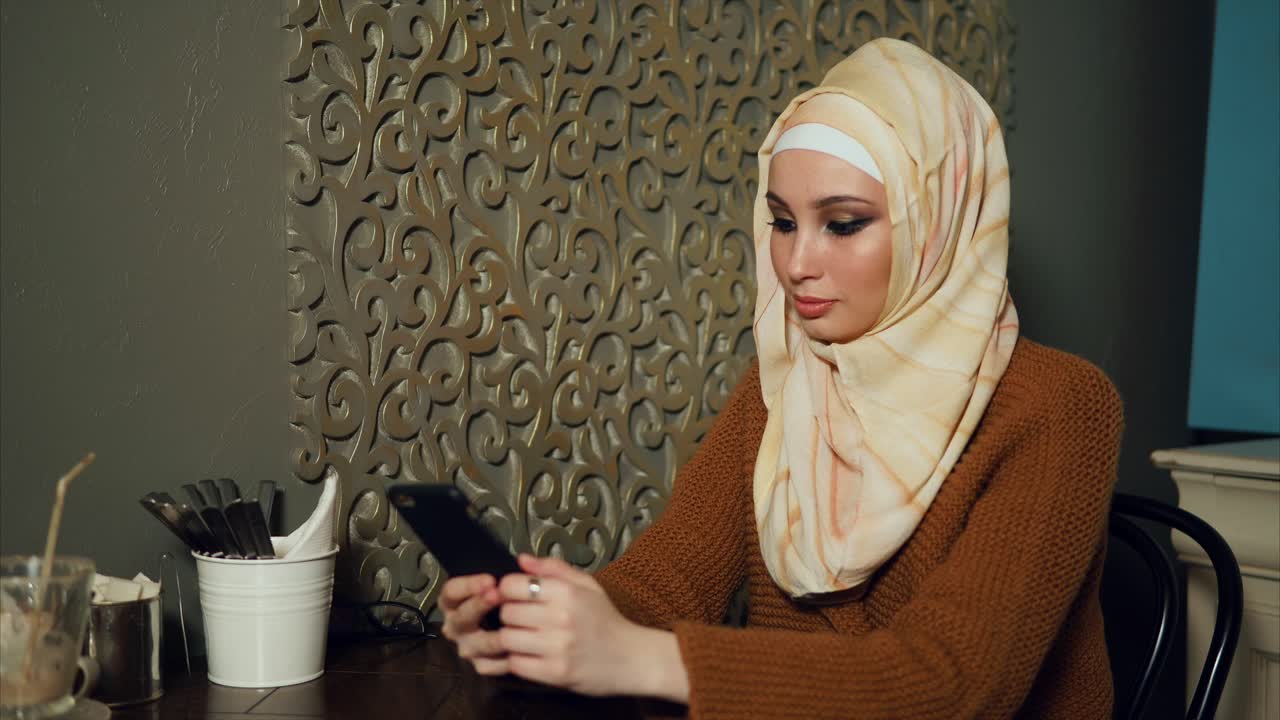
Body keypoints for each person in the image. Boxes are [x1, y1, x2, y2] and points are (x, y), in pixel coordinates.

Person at [439, 37, 1123, 719]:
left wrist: (636, 657)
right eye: (782, 221)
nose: (797, 263)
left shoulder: (1061, 405)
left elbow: (950, 686)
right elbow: (668, 582)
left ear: (937, 226)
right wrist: (547, 618)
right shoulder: (783, 383)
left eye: (843, 224)